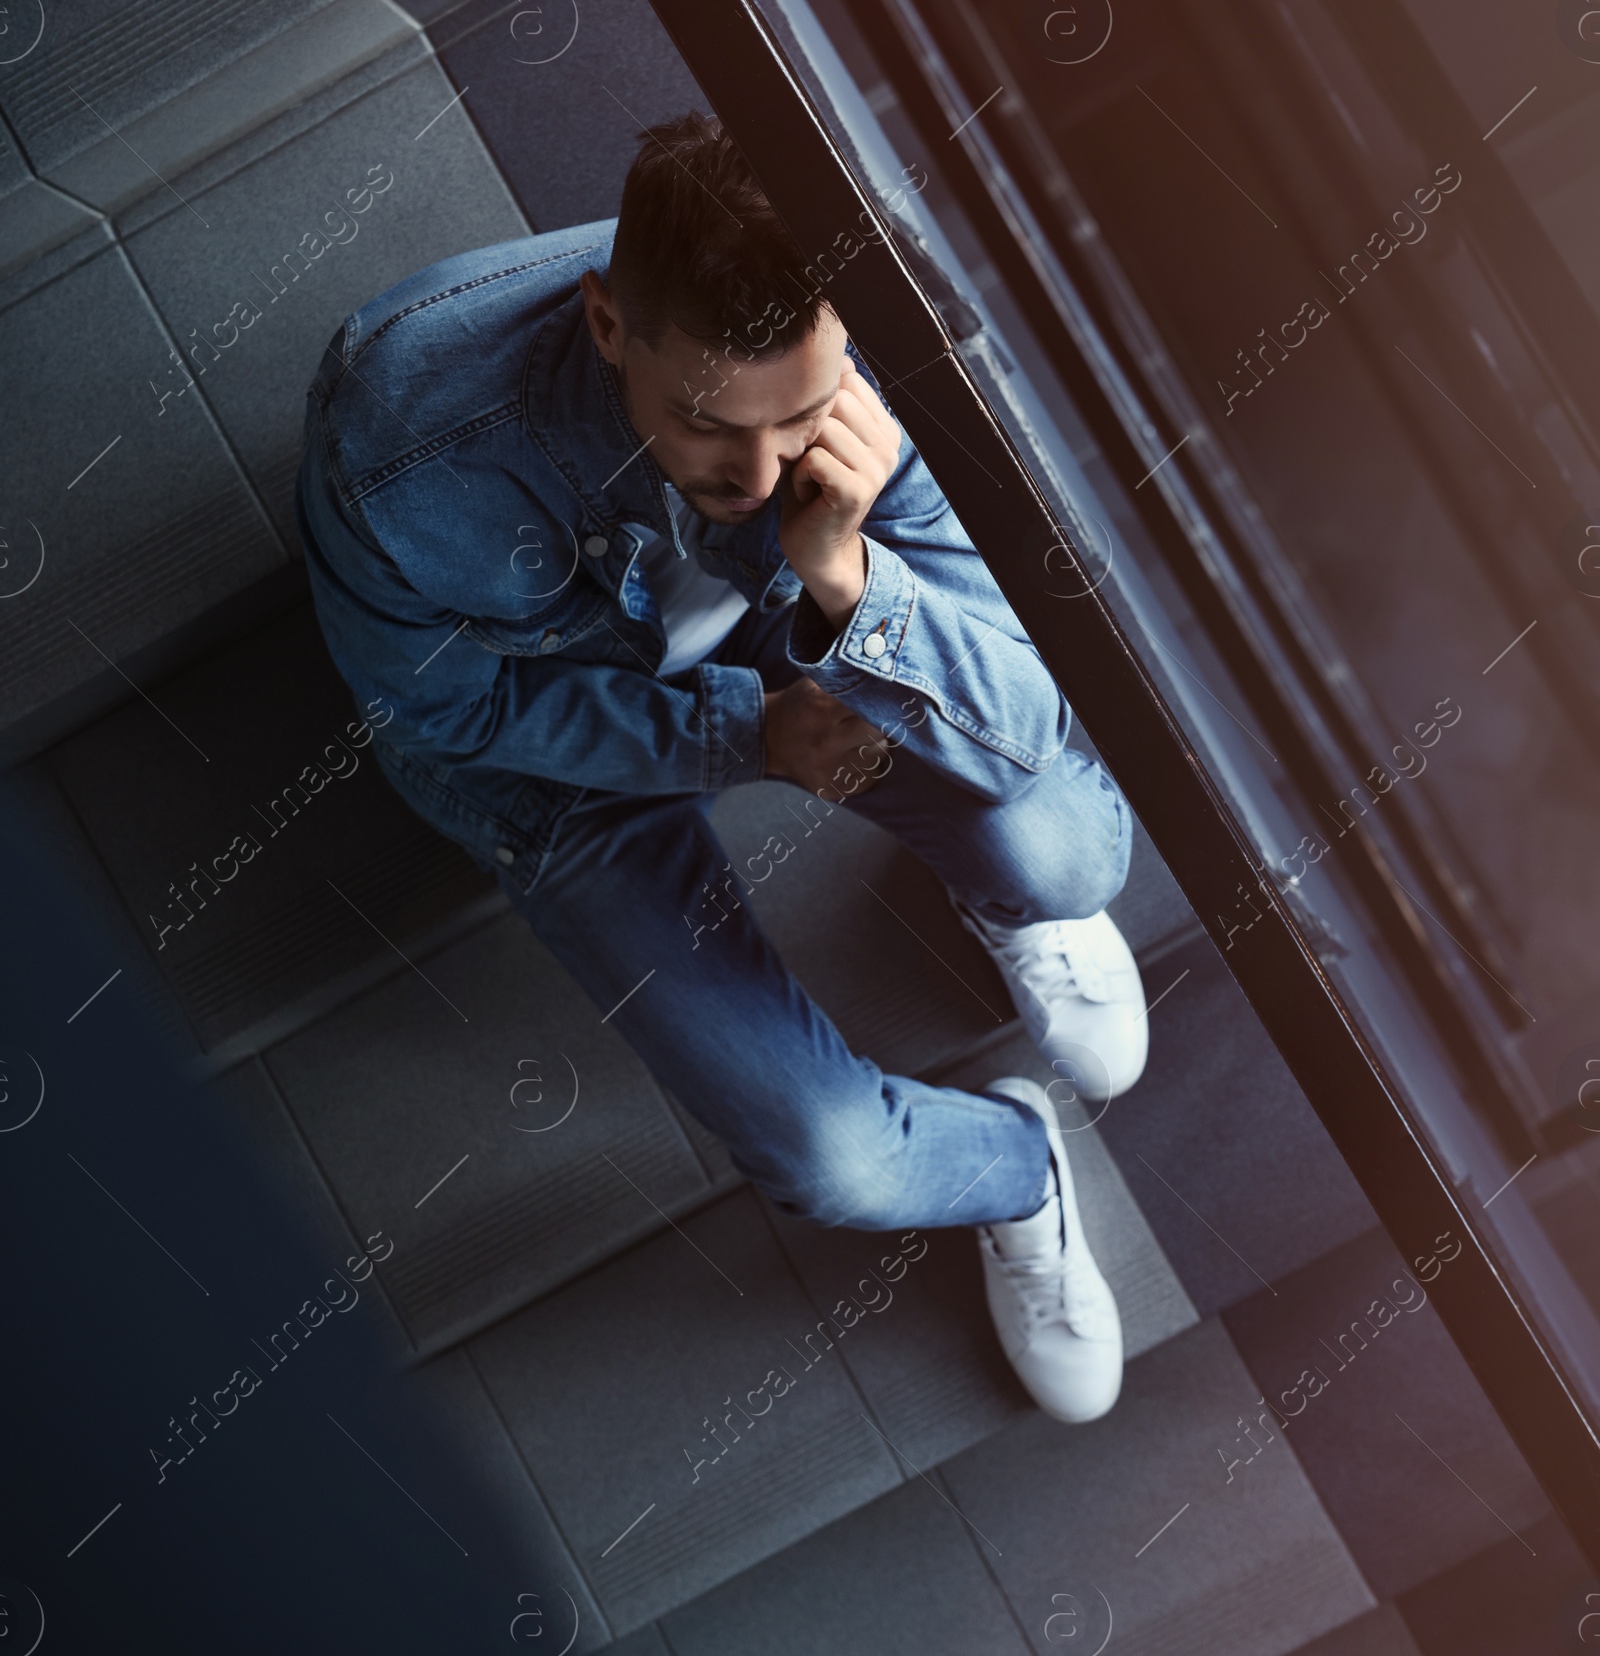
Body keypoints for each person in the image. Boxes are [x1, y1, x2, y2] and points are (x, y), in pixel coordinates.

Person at [297, 112, 1149, 1424]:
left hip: (793, 641)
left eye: (798, 420)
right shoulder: (401, 445)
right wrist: (744, 733)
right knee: (833, 1158)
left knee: (1069, 850)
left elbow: (1029, 718)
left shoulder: (864, 339)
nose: (760, 475)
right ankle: (1021, 1164)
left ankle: (994, 895)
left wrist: (847, 584)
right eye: (707, 430)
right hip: (554, 758)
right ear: (604, 324)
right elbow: (445, 713)